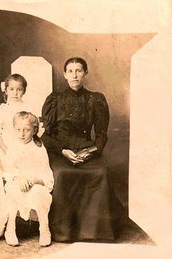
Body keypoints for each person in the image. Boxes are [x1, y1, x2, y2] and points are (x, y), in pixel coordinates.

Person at [41, 57, 117, 242]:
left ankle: (93, 232)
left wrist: (90, 152)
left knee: (101, 172)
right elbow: (46, 135)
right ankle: (63, 231)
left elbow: (101, 134)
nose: (75, 75)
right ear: (65, 74)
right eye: (71, 71)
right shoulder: (55, 99)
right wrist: (63, 151)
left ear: (85, 73)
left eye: (79, 70)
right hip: (60, 150)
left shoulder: (95, 99)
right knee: (61, 173)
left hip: (87, 150)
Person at [2, 111, 54, 247]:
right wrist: (19, 178)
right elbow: (8, 170)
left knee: (39, 194)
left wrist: (35, 180)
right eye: (18, 130)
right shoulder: (12, 147)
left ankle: (44, 229)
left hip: (35, 182)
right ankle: (10, 228)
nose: (22, 134)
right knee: (13, 192)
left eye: (26, 130)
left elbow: (45, 172)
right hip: (16, 181)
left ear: (34, 130)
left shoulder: (39, 148)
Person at [0, 74, 40, 159]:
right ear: (6, 91)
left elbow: (35, 128)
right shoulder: (2, 109)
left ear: (24, 91)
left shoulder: (29, 107)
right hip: (6, 146)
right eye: (11, 89)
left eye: (19, 89)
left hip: (26, 146)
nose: (15, 93)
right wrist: (6, 151)